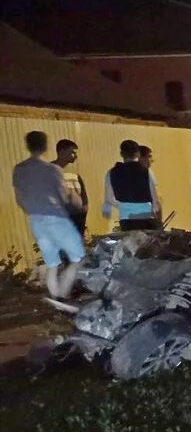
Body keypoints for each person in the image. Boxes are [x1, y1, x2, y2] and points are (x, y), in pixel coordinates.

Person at [12, 131, 86, 306]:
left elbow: (20, 199)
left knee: (52, 260)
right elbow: (64, 197)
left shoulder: (19, 169)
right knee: (77, 257)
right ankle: (63, 293)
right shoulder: (52, 170)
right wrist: (76, 200)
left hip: (37, 220)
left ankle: (55, 295)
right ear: (45, 147)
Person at [103, 139, 160, 230]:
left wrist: (124, 206)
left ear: (121, 154)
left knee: (132, 243)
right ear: (138, 153)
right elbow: (155, 199)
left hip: (126, 218)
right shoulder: (146, 171)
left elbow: (109, 198)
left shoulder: (111, 173)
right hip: (146, 216)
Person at [52, 139, 88, 236]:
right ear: (62, 152)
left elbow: (82, 192)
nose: (75, 156)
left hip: (78, 217)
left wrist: (85, 208)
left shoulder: (74, 171)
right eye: (72, 153)